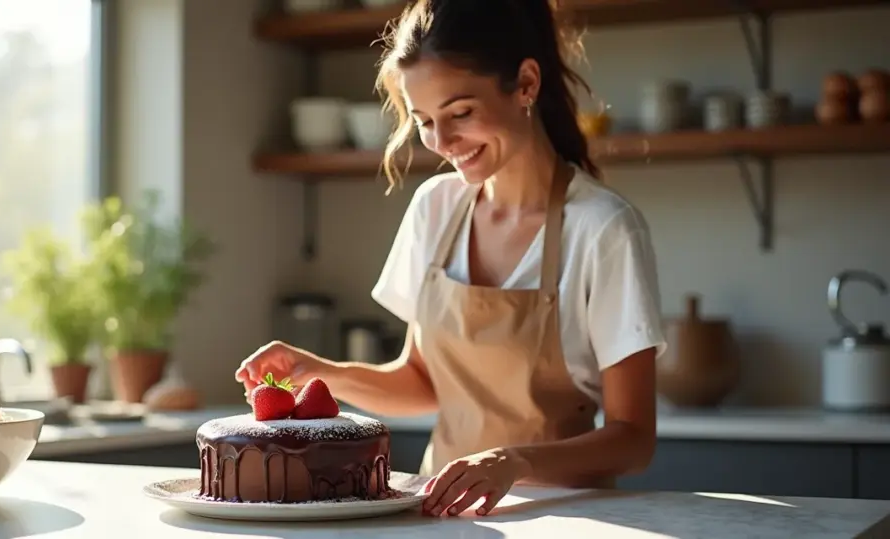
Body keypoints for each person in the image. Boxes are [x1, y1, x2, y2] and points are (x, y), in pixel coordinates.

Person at [236, 0, 666, 518]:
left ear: (526, 84)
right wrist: (323, 372)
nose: (442, 142)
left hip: (568, 515)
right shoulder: (435, 208)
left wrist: (512, 461)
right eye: (424, 121)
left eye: (461, 113)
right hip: (441, 512)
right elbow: (423, 383)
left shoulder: (603, 228)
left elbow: (633, 439)